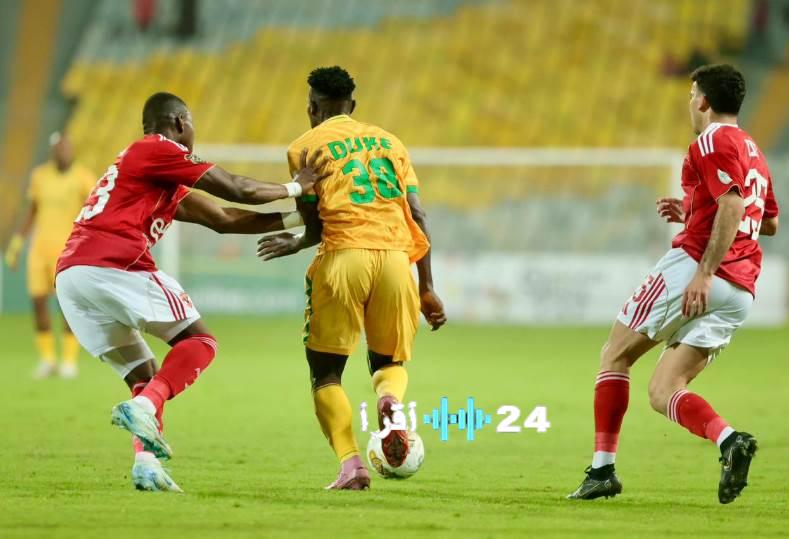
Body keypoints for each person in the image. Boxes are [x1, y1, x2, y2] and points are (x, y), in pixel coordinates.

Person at [54, 92, 327, 492]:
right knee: (201, 341)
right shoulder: (158, 149)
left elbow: (222, 219)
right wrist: (295, 188)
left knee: (145, 377)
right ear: (181, 122)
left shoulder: (149, 171)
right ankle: (144, 407)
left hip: (73, 277)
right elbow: (236, 189)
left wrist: (296, 219)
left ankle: (146, 464)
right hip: (112, 261)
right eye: (193, 123)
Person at [567, 64, 778, 504]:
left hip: (696, 271)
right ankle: (730, 441)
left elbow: (735, 206)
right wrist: (696, 211)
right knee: (664, 391)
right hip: (740, 290)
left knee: (614, 355)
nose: (689, 102)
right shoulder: (753, 149)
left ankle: (602, 471)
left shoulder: (711, 140)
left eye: (691, 94)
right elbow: (768, 220)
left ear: (703, 100)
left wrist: (703, 271)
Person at [257, 66, 446, 490]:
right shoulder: (391, 142)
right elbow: (417, 213)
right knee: (388, 362)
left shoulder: (304, 147)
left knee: (325, 373)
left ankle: (352, 466)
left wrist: (298, 241)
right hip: (398, 259)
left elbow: (315, 220)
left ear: (313, 107)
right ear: (353, 106)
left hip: (344, 257)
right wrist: (427, 287)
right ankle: (390, 400)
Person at [5, 133, 95, 378]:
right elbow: (32, 211)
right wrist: (16, 243)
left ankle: (68, 360)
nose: (62, 152)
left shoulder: (83, 178)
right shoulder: (39, 176)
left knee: (68, 306)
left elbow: (93, 214)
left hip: (68, 252)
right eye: (58, 148)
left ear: (71, 150)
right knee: (38, 303)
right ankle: (47, 359)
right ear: (52, 151)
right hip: (39, 250)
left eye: (66, 148)